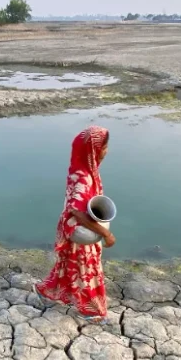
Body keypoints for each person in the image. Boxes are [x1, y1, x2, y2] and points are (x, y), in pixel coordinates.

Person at [34, 126, 115, 324]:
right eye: (104, 147)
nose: (107, 151)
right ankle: (91, 310)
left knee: (68, 266)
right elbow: (77, 213)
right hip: (79, 231)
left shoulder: (86, 170)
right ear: (93, 149)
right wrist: (105, 234)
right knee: (86, 270)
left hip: (78, 229)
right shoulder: (83, 178)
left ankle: (47, 292)